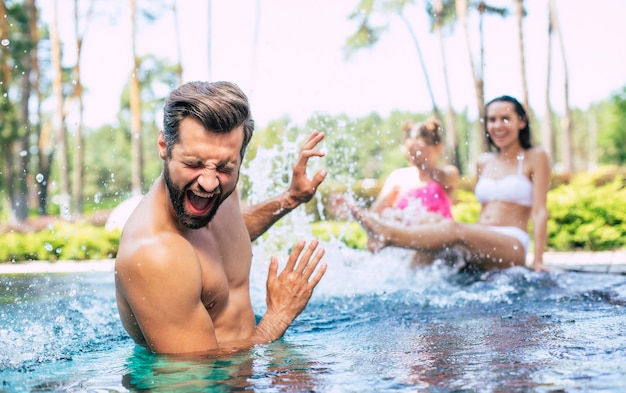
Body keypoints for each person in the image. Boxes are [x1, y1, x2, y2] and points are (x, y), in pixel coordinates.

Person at [115, 81, 328, 356]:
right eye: (193, 163)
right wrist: (278, 316)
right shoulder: (156, 254)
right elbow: (190, 373)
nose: (208, 182)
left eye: (225, 167)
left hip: (245, 368)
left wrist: (290, 199)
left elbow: (226, 237)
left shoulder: (220, 193)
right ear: (164, 146)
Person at [352, 95, 551, 272]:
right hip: (481, 236)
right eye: (492, 120)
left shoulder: (535, 157)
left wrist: (538, 260)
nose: (497, 126)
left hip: (511, 242)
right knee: (427, 220)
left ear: (522, 122)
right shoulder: (484, 162)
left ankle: (388, 236)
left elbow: (540, 211)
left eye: (505, 119)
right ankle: (409, 281)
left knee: (455, 229)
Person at [370, 118, 459, 225]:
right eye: (411, 151)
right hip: (405, 239)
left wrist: (425, 164)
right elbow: (374, 214)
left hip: (440, 238)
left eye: (421, 151)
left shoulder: (448, 172)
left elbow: (446, 178)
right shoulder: (398, 177)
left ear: (438, 148)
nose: (415, 156)